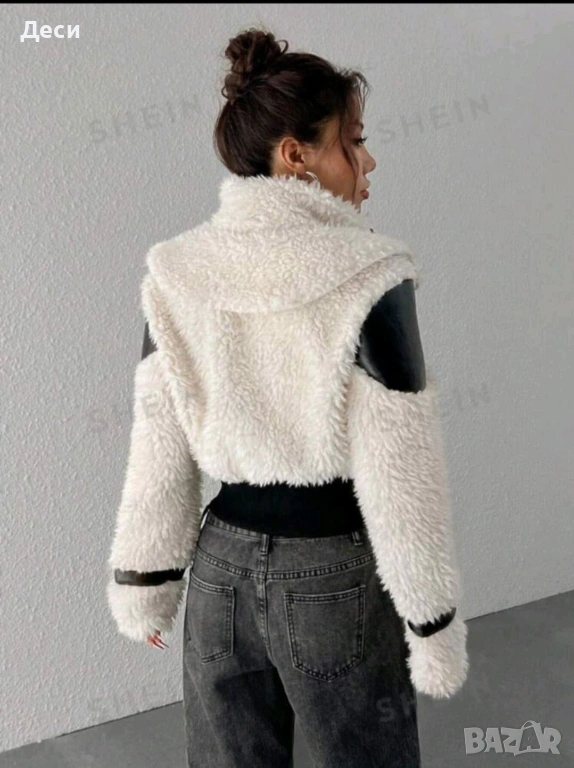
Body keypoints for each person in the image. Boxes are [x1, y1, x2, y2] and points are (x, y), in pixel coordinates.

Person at [107, 26, 468, 768]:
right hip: (332, 578)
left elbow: (158, 443)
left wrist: (146, 580)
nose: (368, 161)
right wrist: (432, 626)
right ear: (295, 155)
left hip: (218, 578)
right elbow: (401, 472)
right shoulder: (372, 272)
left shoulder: (175, 270)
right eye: (353, 141)